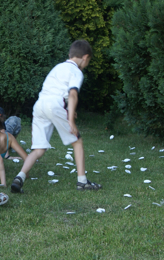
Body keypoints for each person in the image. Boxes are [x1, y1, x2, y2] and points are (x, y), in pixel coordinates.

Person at [11, 40, 102, 193]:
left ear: (70, 54)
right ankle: (82, 182)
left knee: (39, 149)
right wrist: (70, 120)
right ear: (85, 57)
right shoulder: (76, 72)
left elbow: (55, 90)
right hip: (55, 105)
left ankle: (19, 177)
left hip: (39, 105)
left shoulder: (58, 67)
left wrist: (69, 110)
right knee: (77, 141)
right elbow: (72, 94)